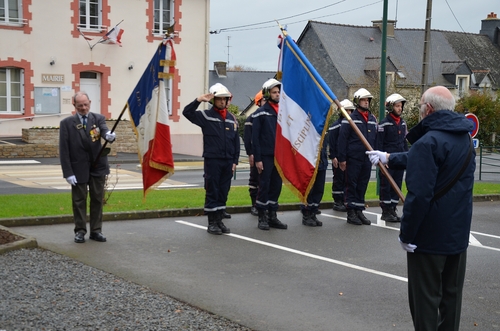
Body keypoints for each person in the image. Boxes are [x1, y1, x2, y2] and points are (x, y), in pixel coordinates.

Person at [366, 86, 475, 331]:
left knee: (425, 301)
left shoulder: (428, 142)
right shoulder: (464, 138)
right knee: (451, 298)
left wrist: (407, 234)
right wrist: (389, 157)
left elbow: (419, 196)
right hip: (457, 235)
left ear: (428, 109)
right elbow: (431, 158)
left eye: (419, 106)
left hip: (429, 237)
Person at [182, 83, 240, 235]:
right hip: (213, 160)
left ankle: (219, 220)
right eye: (219, 99)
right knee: (212, 190)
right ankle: (212, 222)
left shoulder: (231, 119)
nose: (222, 102)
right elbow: (187, 113)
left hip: (228, 161)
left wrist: (235, 161)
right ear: (213, 100)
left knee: (223, 191)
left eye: (224, 99)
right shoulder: (206, 116)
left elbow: (235, 142)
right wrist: (198, 100)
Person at [59, 91, 116, 243]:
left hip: (98, 166)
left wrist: (109, 135)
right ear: (74, 105)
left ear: (90, 102)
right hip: (78, 169)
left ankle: (96, 231)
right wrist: (68, 173)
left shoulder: (98, 119)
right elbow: (64, 150)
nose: (83, 108)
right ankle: (80, 231)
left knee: (97, 199)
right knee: (79, 201)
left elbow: (104, 130)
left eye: (85, 104)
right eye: (80, 105)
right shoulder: (66, 124)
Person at [251, 78, 288, 231]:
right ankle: (262, 217)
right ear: (267, 94)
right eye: (274, 92)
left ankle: (273, 215)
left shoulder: (283, 113)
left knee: (276, 186)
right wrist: (258, 159)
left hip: (279, 157)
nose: (277, 94)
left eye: (278, 92)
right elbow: (255, 139)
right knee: (264, 187)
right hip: (266, 157)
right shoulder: (260, 113)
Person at [337, 88, 377, 226]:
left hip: (366, 158)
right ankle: (351, 212)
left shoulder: (372, 119)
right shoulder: (351, 119)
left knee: (362, 185)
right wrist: (342, 159)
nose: (366, 103)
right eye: (364, 100)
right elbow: (342, 139)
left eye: (368, 100)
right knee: (351, 185)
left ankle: (359, 210)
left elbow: (374, 138)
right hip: (353, 158)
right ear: (357, 101)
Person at [376, 93, 409, 222]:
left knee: (397, 185)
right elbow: (379, 144)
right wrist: (382, 161)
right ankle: (386, 211)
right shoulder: (384, 124)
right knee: (386, 186)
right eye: (397, 106)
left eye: (401, 106)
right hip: (388, 161)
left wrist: (406, 157)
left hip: (399, 160)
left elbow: (404, 141)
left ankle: (393, 209)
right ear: (390, 107)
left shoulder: (403, 123)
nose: (400, 108)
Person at [328, 99, 354, 212]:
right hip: (338, 158)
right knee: (338, 179)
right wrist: (334, 156)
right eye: (346, 110)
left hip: (348, 157)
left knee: (346, 180)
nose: (349, 113)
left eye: (350, 110)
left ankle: (344, 199)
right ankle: (337, 201)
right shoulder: (335, 126)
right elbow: (332, 142)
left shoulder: (352, 125)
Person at [243, 90, 265, 216]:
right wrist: (250, 153)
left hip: (267, 154)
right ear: (258, 102)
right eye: (264, 100)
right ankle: (254, 205)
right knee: (254, 180)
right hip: (256, 154)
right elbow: (248, 138)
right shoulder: (252, 118)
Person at [299, 137, 327, 227]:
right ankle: (307, 214)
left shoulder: (322, 127)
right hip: (310, 162)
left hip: (321, 161)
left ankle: (313, 213)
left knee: (319, 189)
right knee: (308, 190)